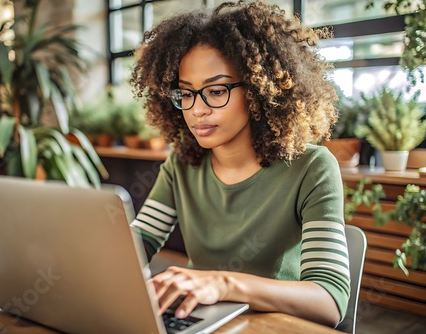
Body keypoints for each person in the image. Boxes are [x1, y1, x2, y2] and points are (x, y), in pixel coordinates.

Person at [129, 0, 349, 328]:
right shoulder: (183, 163)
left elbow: (330, 300)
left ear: (260, 90)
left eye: (216, 91)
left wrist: (224, 284)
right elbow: (137, 245)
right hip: (201, 320)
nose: (197, 110)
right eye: (186, 93)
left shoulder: (311, 168)